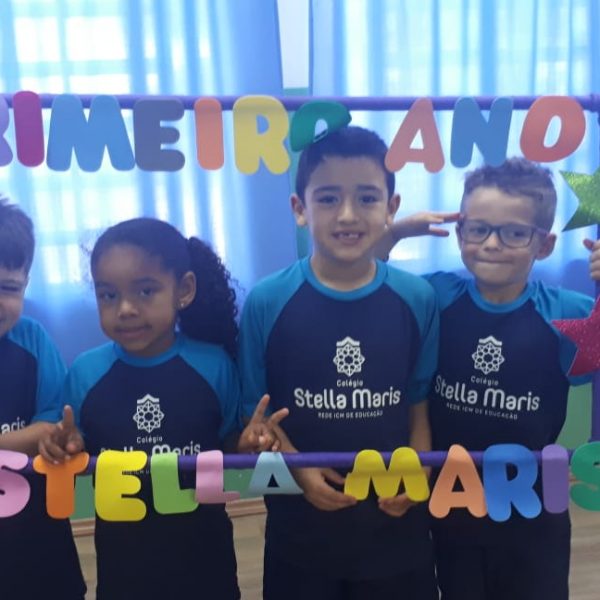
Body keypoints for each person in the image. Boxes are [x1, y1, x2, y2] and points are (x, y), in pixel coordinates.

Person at [377, 157, 597, 600]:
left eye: (514, 233)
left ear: (545, 245)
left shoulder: (566, 312)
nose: (492, 244)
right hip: (453, 506)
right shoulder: (435, 295)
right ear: (461, 234)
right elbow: (368, 278)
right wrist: (393, 234)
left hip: (534, 513)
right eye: (478, 229)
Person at [238, 126, 440, 600]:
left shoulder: (418, 298)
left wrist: (418, 474)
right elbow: (257, 413)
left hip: (394, 527)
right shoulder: (266, 301)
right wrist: (299, 470)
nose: (347, 215)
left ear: (391, 207)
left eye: (367, 198)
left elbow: (419, 405)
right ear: (300, 208)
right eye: (328, 199)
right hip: (301, 528)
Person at [38, 217, 285, 600]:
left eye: (145, 291)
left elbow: (228, 445)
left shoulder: (215, 366)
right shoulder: (86, 373)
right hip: (124, 570)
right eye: (108, 295)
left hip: (207, 564)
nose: (125, 309)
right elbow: (77, 455)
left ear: (183, 290)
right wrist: (64, 448)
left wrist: (248, 443)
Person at [0, 197, 86, 599]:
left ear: (26, 283)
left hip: (36, 532)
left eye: (8, 288)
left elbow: (50, 429)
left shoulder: (33, 340)